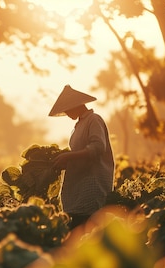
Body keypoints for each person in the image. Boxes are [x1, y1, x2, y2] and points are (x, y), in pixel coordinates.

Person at [48, 85, 115, 231]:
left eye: (67, 108)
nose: (66, 112)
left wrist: (68, 156)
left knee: (87, 229)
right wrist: (63, 162)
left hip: (92, 185)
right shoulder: (78, 126)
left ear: (76, 105)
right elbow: (80, 156)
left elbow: (97, 147)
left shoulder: (94, 119)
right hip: (77, 187)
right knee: (76, 229)